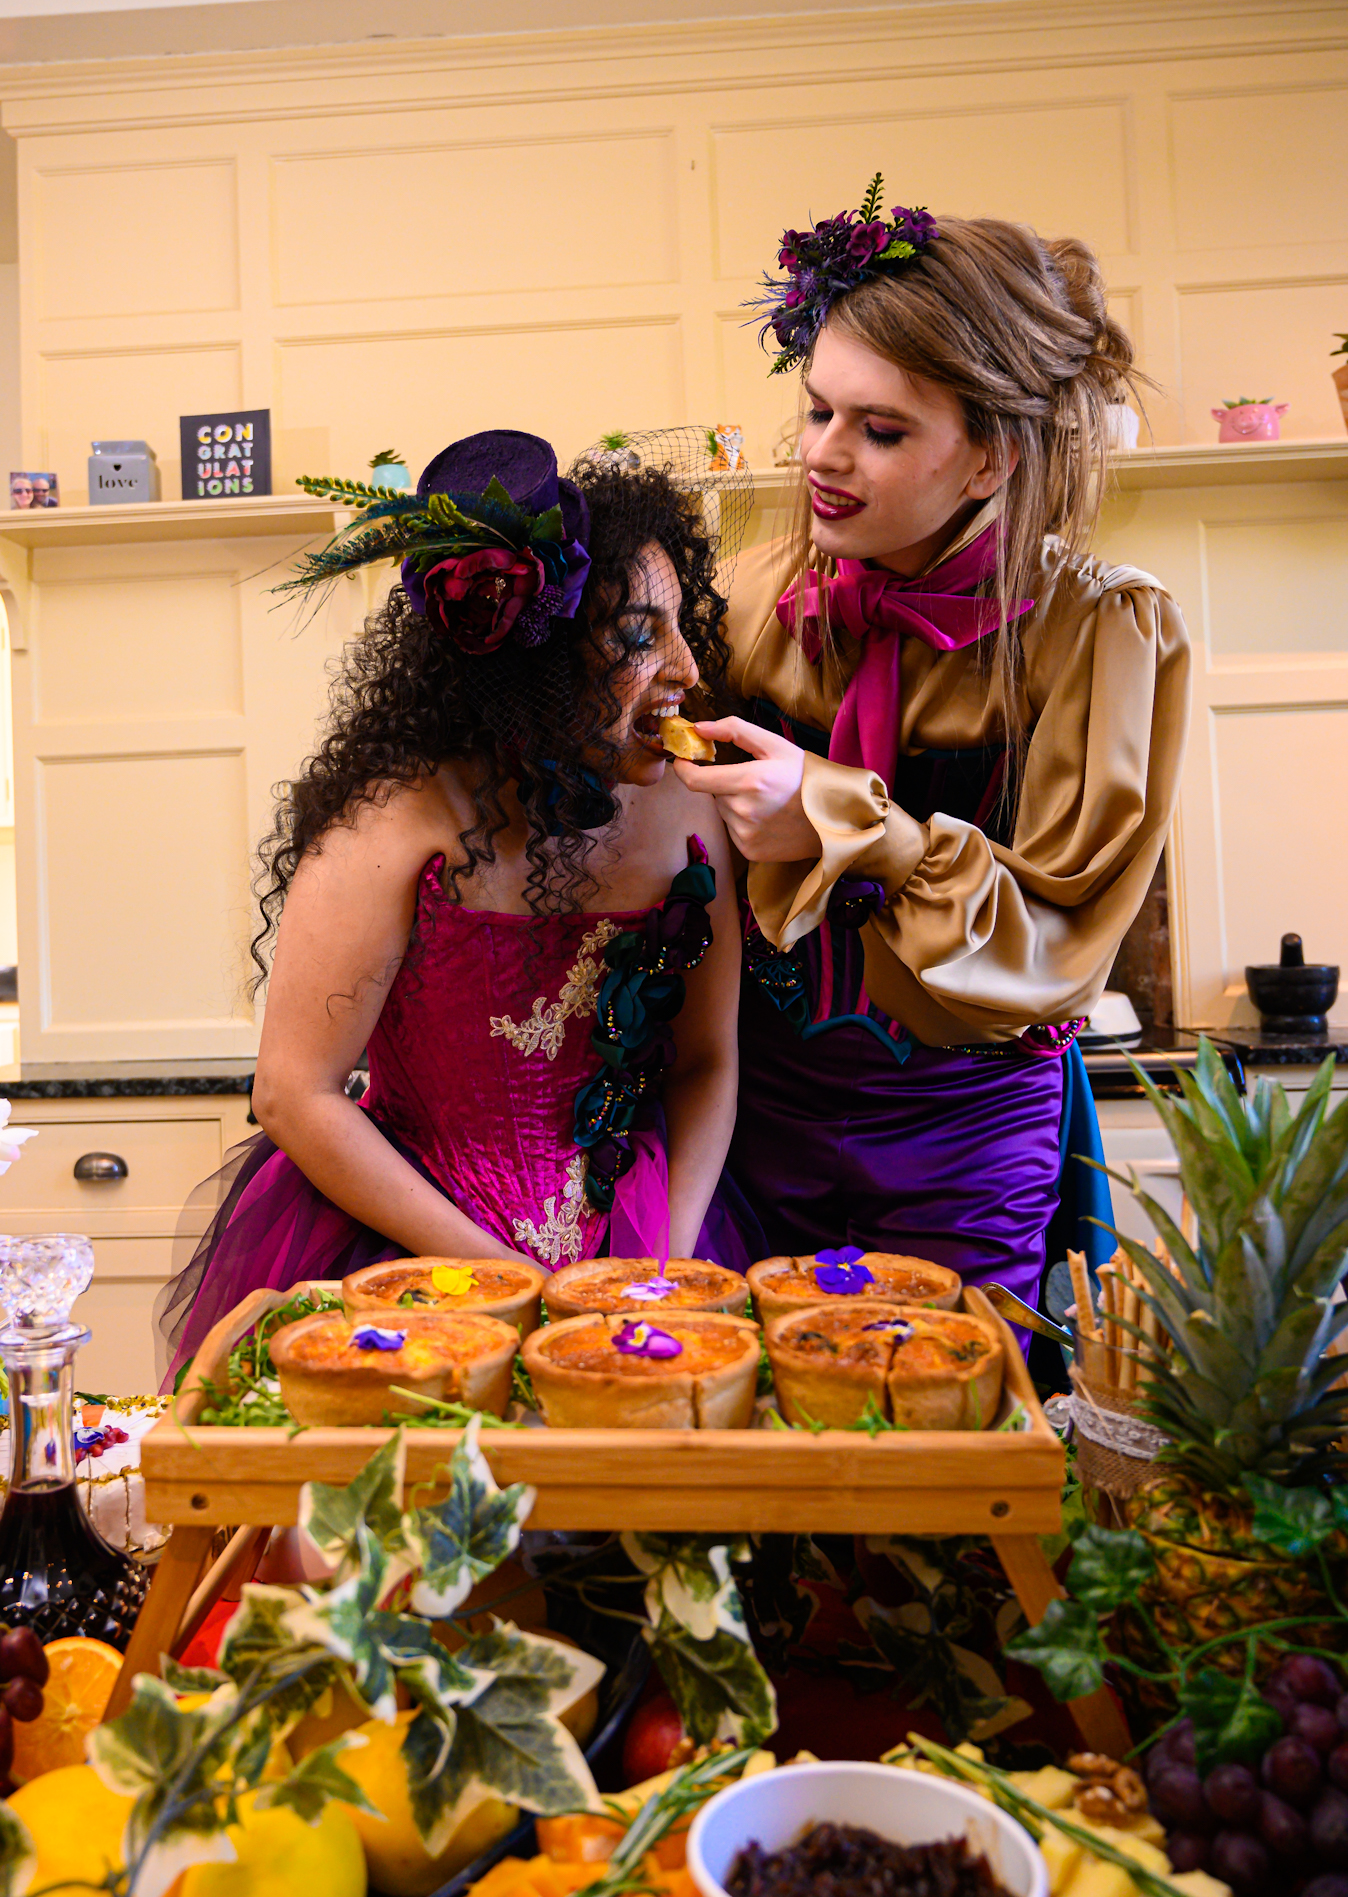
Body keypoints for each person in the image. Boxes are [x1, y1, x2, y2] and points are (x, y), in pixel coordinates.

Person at [673, 186, 1191, 1316]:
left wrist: (851, 827)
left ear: (992, 458)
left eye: (882, 428)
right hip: (747, 1125)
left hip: (964, 1143)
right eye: (817, 412)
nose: (824, 454)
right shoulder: (756, 595)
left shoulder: (1103, 627)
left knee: (936, 1437)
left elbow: (1056, 939)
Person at [158, 429, 744, 1380]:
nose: (685, 667)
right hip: (410, 1253)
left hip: (647, 1238)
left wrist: (662, 1265)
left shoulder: (694, 812)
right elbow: (293, 1093)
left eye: (681, 626)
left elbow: (709, 1061)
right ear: (538, 662)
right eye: (640, 636)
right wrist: (503, 1280)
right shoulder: (391, 823)